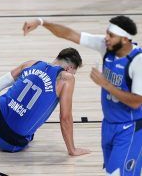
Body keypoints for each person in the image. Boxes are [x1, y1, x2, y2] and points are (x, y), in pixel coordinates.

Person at [22, 16, 142, 175]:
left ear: (125, 39)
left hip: (130, 127)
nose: (106, 38)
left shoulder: (137, 62)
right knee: (111, 172)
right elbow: (70, 34)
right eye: (106, 33)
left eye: (111, 35)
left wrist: (105, 84)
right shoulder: (106, 47)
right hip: (109, 124)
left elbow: (136, 102)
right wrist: (41, 22)